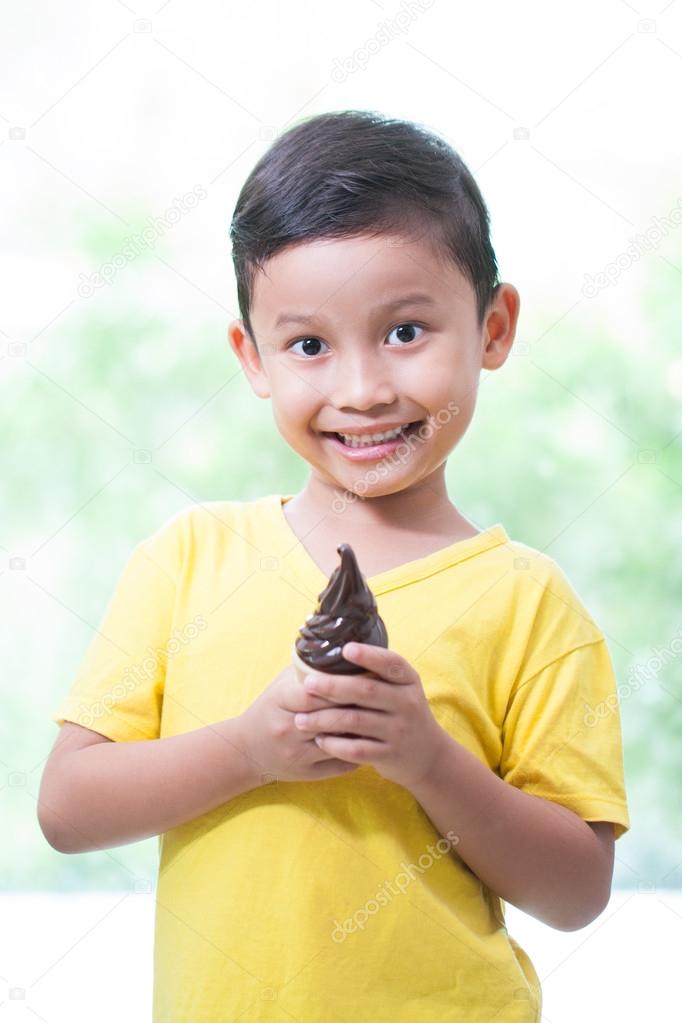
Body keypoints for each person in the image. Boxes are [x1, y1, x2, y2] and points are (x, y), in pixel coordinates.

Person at [38, 109, 630, 1022]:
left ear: (494, 327)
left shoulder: (530, 605)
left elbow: (575, 889)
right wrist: (248, 749)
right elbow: (68, 808)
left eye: (405, 331)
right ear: (254, 358)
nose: (362, 390)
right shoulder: (188, 560)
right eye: (310, 344)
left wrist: (427, 758)